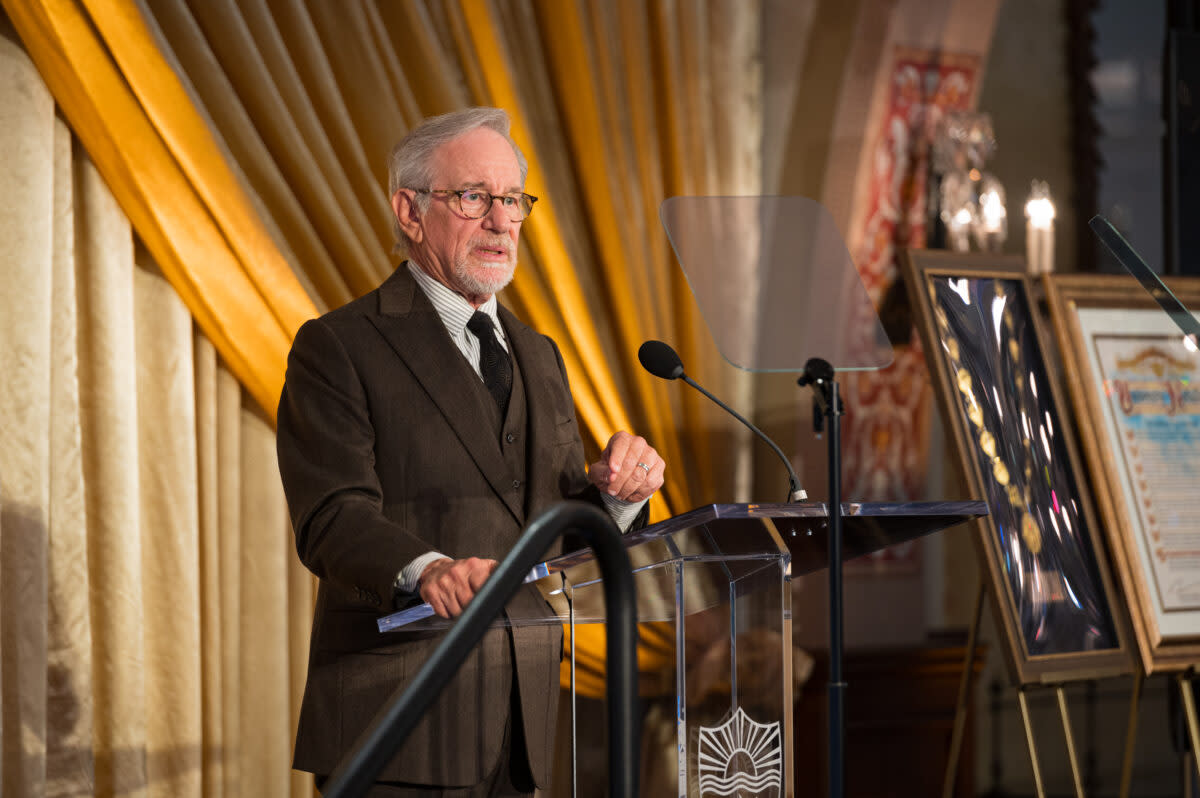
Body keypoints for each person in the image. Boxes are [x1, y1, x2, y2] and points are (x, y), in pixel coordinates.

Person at [276, 106, 666, 797]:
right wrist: (427, 571)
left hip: (525, 727)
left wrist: (616, 496)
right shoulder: (339, 346)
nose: (500, 221)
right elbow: (332, 516)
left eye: (512, 199)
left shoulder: (540, 354)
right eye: (473, 197)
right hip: (397, 721)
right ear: (410, 210)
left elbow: (547, 518)